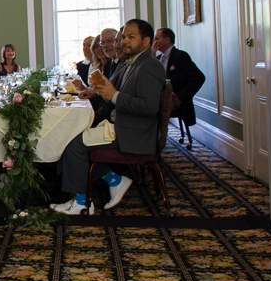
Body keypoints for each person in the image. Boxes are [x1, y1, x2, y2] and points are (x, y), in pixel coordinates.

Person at [53, 19, 165, 215]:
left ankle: (82, 203)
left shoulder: (149, 66)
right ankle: (114, 179)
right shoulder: (128, 63)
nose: (123, 42)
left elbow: (149, 107)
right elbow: (110, 91)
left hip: (132, 133)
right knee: (67, 137)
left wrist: (114, 95)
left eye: (131, 37)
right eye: (123, 38)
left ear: (146, 41)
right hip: (118, 125)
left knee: (73, 145)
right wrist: (96, 93)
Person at [153, 27, 206, 129]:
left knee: (150, 107)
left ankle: (157, 138)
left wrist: (180, 97)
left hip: (174, 98)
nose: (154, 42)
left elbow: (199, 77)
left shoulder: (180, 56)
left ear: (167, 40)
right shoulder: (158, 58)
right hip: (159, 96)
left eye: (157, 38)